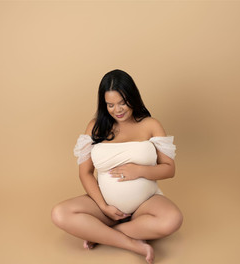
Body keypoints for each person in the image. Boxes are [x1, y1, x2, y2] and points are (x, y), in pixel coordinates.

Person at [51, 69, 183, 264]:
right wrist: (104, 207)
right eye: (110, 105)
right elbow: (85, 173)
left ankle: (101, 234)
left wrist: (139, 170)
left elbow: (169, 168)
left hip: (144, 204)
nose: (117, 110)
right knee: (59, 213)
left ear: (133, 98)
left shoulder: (150, 124)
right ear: (104, 105)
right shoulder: (95, 127)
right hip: (104, 205)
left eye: (122, 103)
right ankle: (133, 243)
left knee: (173, 219)